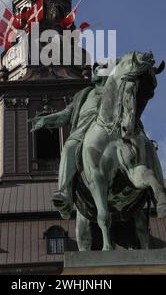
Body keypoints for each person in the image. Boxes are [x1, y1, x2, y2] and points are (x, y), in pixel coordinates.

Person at [30, 63, 108, 218]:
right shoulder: (84, 94)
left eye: (104, 68)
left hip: (113, 131)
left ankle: (157, 191)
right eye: (97, 69)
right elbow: (66, 114)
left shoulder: (115, 90)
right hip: (84, 134)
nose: (99, 71)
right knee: (69, 147)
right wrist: (47, 119)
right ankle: (65, 194)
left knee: (143, 145)